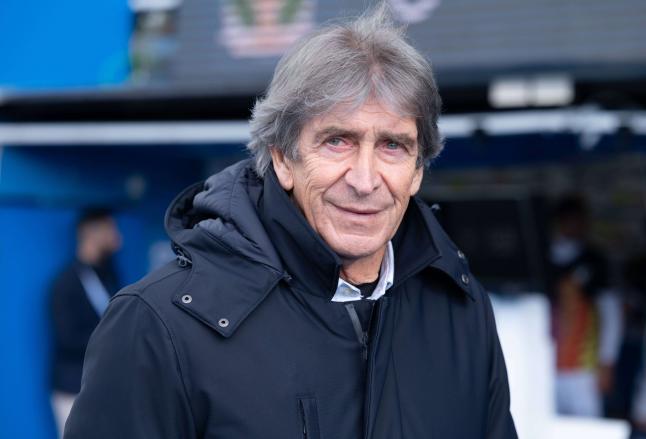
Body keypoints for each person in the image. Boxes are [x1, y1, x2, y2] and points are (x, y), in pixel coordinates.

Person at [64, 6, 517, 438]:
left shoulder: (461, 308)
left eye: (392, 146)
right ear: (282, 159)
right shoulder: (157, 324)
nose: (364, 180)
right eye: (338, 140)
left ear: (418, 170)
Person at [547, 195, 623, 417]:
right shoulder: (541, 259)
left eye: (581, 221)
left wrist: (607, 361)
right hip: (544, 362)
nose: (578, 226)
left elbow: (612, 313)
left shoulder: (595, 261)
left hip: (583, 365)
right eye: (572, 220)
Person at [50, 208, 122, 438]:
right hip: (73, 387)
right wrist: (112, 340)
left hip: (105, 385)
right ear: (92, 233)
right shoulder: (65, 283)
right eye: (110, 229)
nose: (117, 237)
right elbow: (67, 338)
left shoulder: (110, 275)